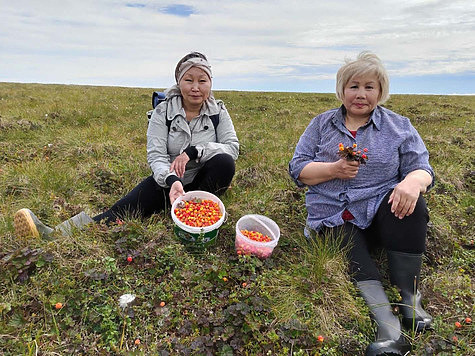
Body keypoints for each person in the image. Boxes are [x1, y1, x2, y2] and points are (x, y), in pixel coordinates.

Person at [289, 51, 434, 356]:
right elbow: (298, 169)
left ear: (380, 91)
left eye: (370, 87)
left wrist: (412, 182)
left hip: (379, 210)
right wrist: (332, 170)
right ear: (342, 89)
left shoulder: (399, 126)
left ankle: (410, 301)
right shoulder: (320, 125)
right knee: (345, 241)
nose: (361, 94)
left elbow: (422, 168)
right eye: (354, 86)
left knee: (411, 202)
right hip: (333, 215)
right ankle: (388, 326)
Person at [14, 52, 239, 238]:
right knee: (120, 211)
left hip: (204, 180)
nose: (195, 87)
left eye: (203, 80)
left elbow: (232, 147)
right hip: (169, 181)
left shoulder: (218, 111)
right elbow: (157, 157)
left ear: (210, 83)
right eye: (189, 80)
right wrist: (171, 181)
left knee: (225, 162)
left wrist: (194, 151)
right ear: (179, 82)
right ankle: (54, 234)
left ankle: (196, 213)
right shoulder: (163, 112)